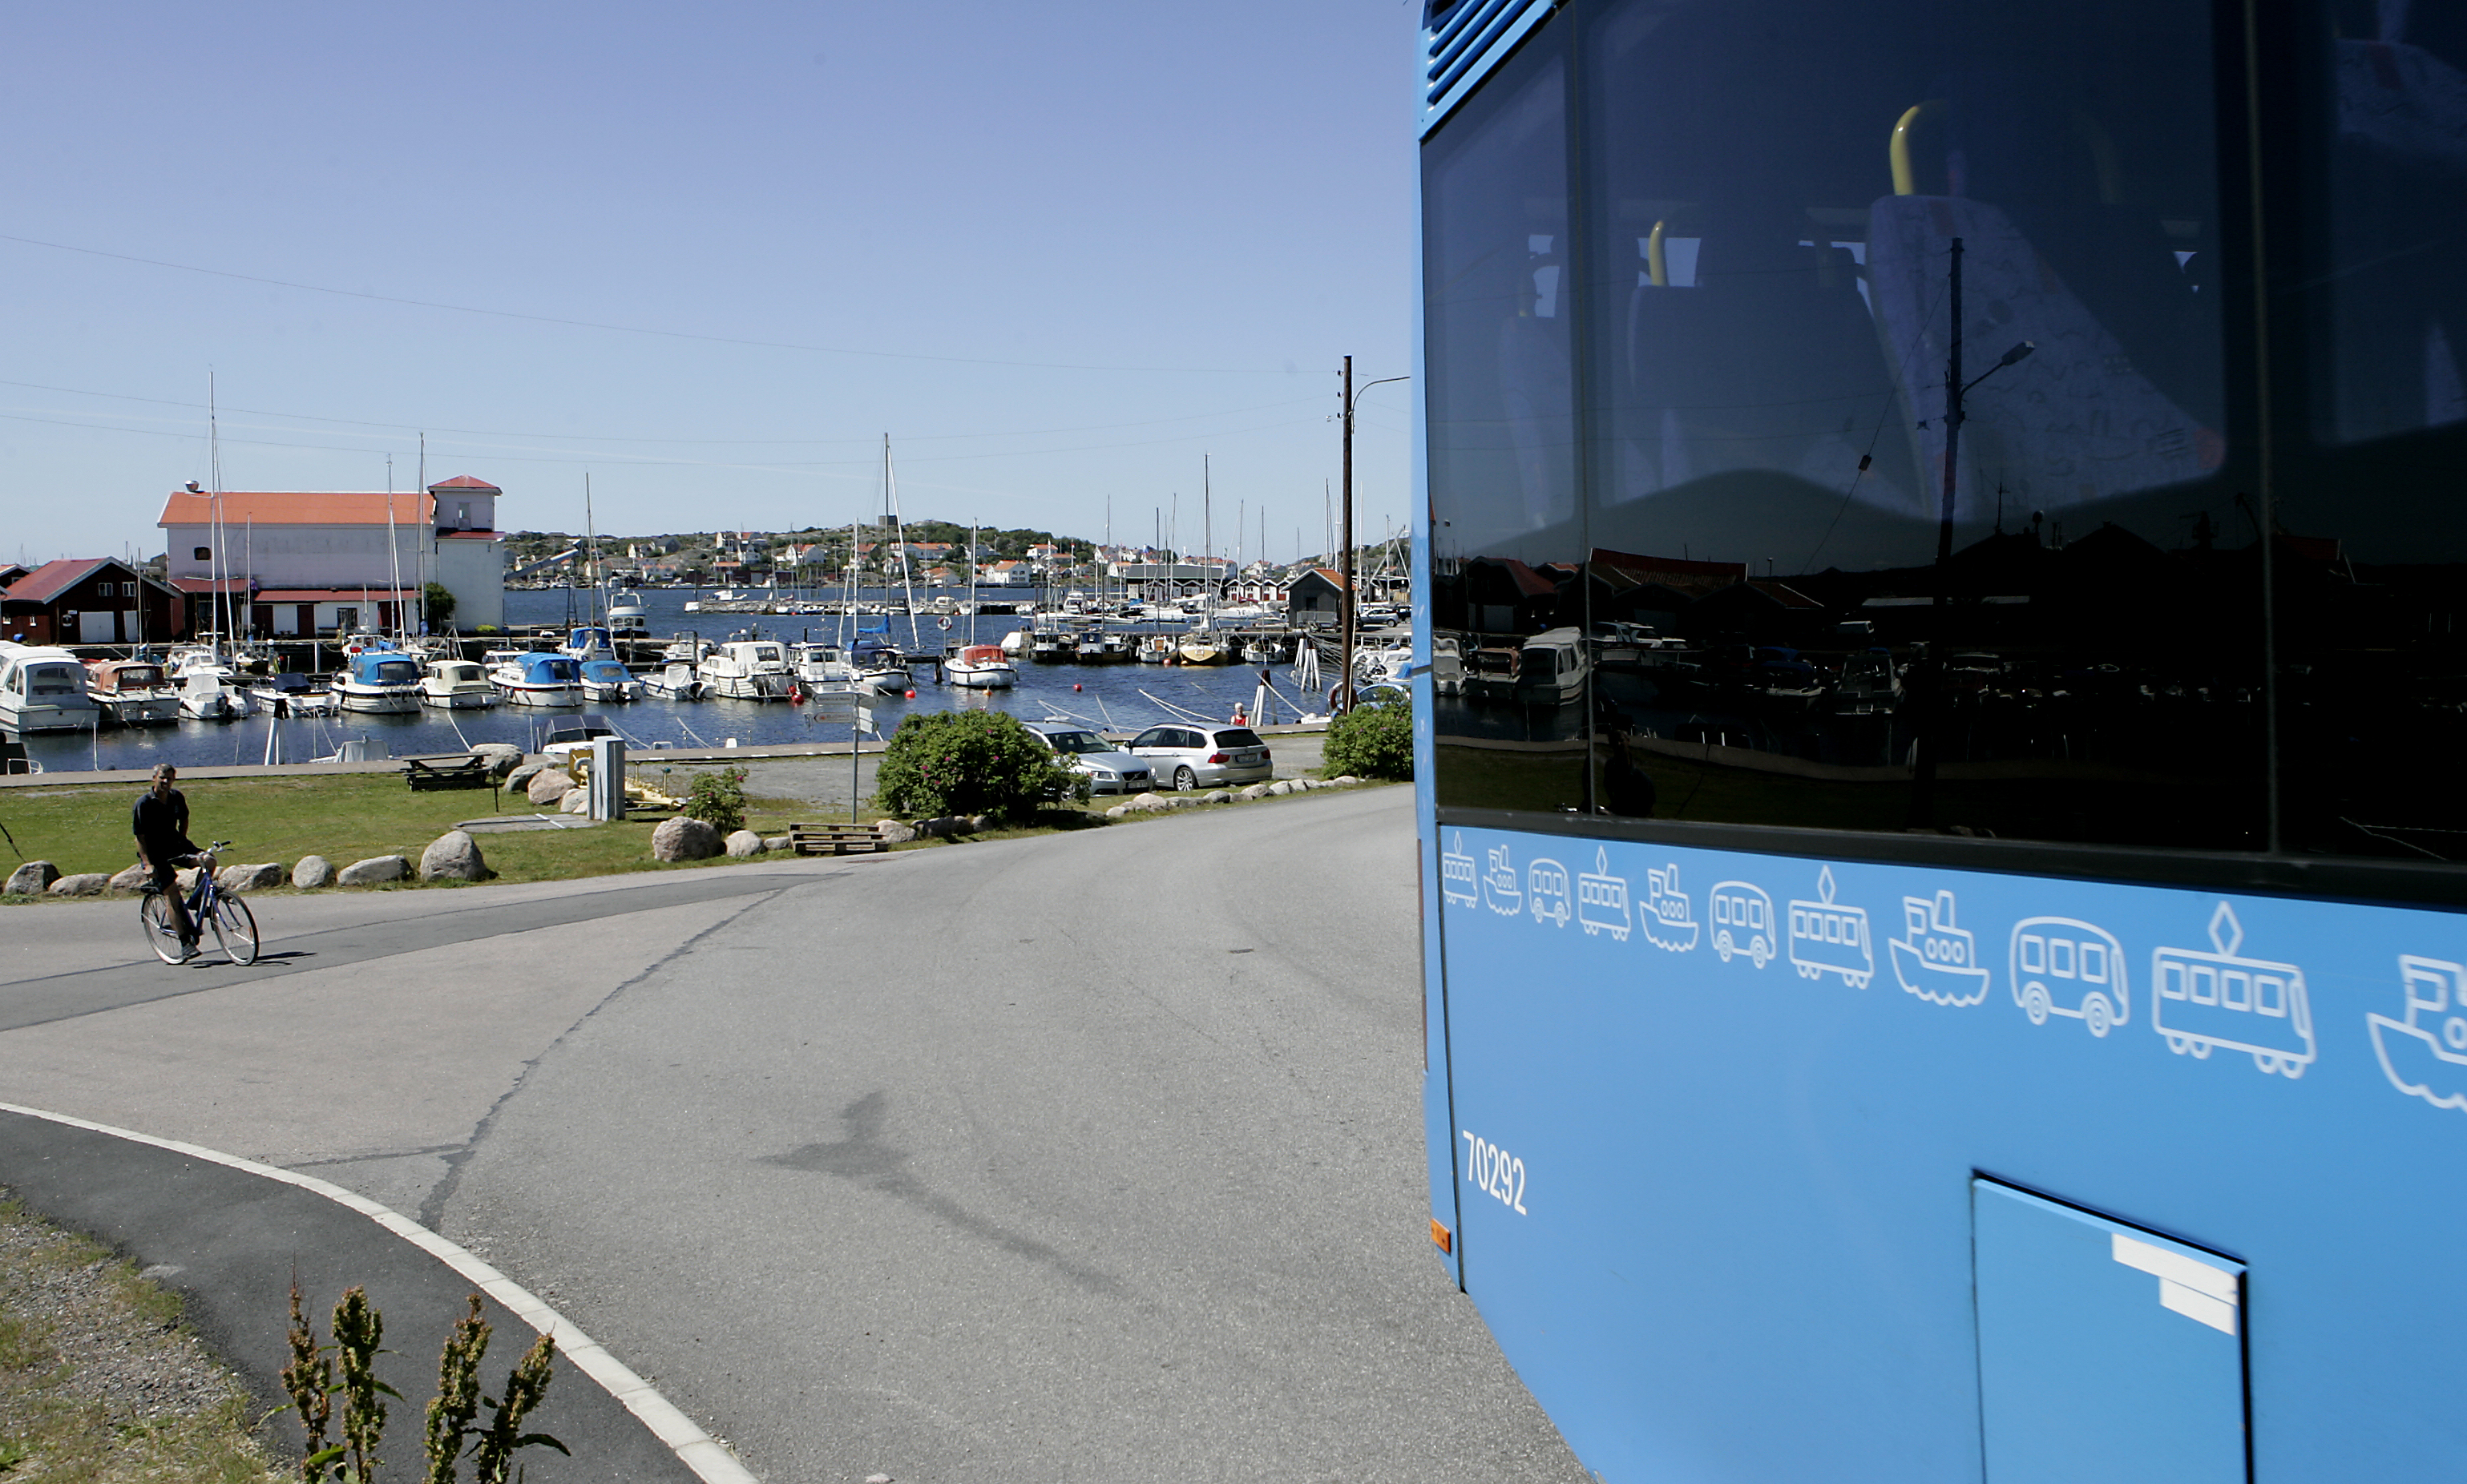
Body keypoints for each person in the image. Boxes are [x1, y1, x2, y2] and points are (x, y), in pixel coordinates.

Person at [132, 763, 209, 958]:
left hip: (175, 844)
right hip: (155, 853)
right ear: (154, 779)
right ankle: (185, 943)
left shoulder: (176, 797)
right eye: (162, 778)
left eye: (170, 778)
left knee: (208, 860)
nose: (166, 782)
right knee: (172, 894)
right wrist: (147, 863)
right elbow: (139, 837)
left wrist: (182, 839)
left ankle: (197, 903)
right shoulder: (144, 803)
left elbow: (184, 818)